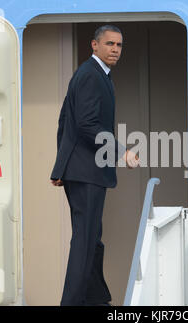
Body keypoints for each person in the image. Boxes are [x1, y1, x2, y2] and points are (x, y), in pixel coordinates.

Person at [50, 25, 139, 306]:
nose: (115, 49)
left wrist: (61, 166)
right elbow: (86, 125)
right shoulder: (91, 75)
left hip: (82, 170)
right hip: (86, 171)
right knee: (85, 240)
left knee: (92, 239)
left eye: (119, 45)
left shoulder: (96, 74)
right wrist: (122, 152)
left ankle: (95, 298)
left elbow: (65, 121)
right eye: (110, 44)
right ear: (94, 45)